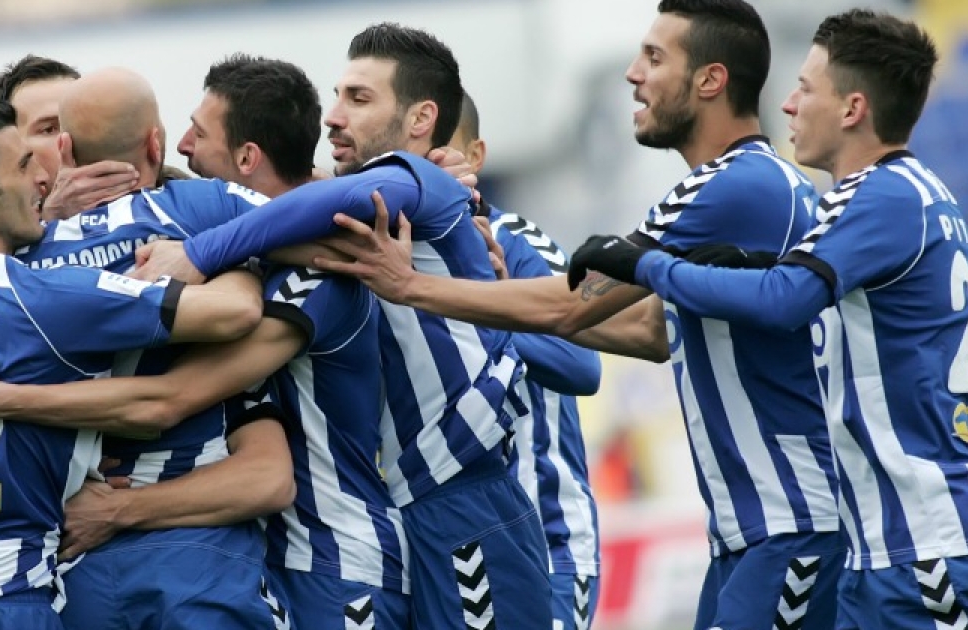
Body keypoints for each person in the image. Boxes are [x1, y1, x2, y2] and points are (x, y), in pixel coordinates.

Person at [312, 3, 848, 629]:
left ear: (710, 80)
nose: (633, 74)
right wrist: (498, 294)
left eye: (654, 58)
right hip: (755, 529)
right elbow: (649, 331)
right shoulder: (738, 187)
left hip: (793, 519)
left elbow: (573, 308)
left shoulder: (734, 184)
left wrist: (412, 285)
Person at [0, 55, 411, 629]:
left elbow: (246, 454)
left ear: (69, 149)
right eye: (34, 141)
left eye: (57, 132)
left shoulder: (11, 275)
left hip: (142, 561)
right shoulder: (205, 215)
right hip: (150, 565)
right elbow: (338, 237)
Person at [568, 9, 968, 629]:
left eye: (805, 89)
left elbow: (785, 299)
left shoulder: (880, 196)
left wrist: (649, 265)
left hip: (931, 544)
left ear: (852, 109)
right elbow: (795, 291)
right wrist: (744, 267)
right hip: (883, 548)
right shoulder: (901, 195)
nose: (787, 104)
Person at [131, 23, 556, 629]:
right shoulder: (367, 205)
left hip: (466, 500)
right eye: (337, 96)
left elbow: (336, 200)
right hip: (418, 507)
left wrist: (198, 251)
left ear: (420, 119)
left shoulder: (421, 180)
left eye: (358, 98)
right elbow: (298, 205)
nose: (334, 116)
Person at [0, 97, 263, 630]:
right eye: (24, 165)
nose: (43, 182)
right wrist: (228, 257)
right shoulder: (41, 295)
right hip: (0, 604)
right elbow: (234, 313)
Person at [452, 91, 605, 629]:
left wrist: (472, 310)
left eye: (442, 152)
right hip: (460, 549)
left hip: (547, 543)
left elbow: (581, 363)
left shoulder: (515, 239)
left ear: (475, 156)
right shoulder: (403, 259)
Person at [0, 54, 141, 221]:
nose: (75, 137)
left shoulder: (156, 198)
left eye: (82, 122)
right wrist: (51, 219)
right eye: (49, 129)